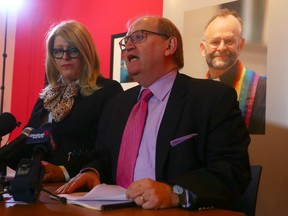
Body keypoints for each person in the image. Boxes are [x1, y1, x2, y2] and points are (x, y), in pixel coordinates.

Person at [56, 16, 251, 211]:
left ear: (169, 45)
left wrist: (174, 192)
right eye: (126, 41)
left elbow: (233, 170)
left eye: (138, 37)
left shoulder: (212, 98)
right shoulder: (117, 104)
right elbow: (102, 157)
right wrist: (93, 171)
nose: (128, 46)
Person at [7, 20, 123, 182]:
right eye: (58, 51)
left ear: (86, 52)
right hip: (39, 184)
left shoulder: (107, 90)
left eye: (73, 50)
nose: (65, 57)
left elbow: (107, 150)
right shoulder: (46, 96)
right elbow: (28, 142)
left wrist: (65, 171)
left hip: (79, 188)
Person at [199, 8, 266, 134]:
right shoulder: (195, 94)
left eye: (229, 41)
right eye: (215, 42)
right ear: (203, 49)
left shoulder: (265, 91)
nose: (222, 47)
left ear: (240, 46)